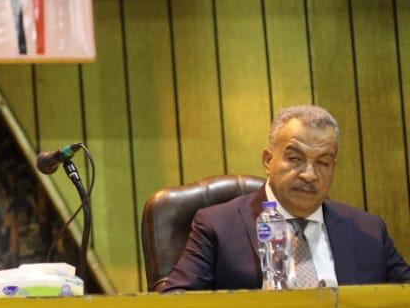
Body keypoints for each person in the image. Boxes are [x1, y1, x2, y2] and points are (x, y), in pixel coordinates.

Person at [159, 105, 410, 291]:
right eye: (295, 159)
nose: (309, 175)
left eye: (323, 162)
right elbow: (175, 304)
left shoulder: (368, 231)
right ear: (268, 161)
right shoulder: (218, 226)